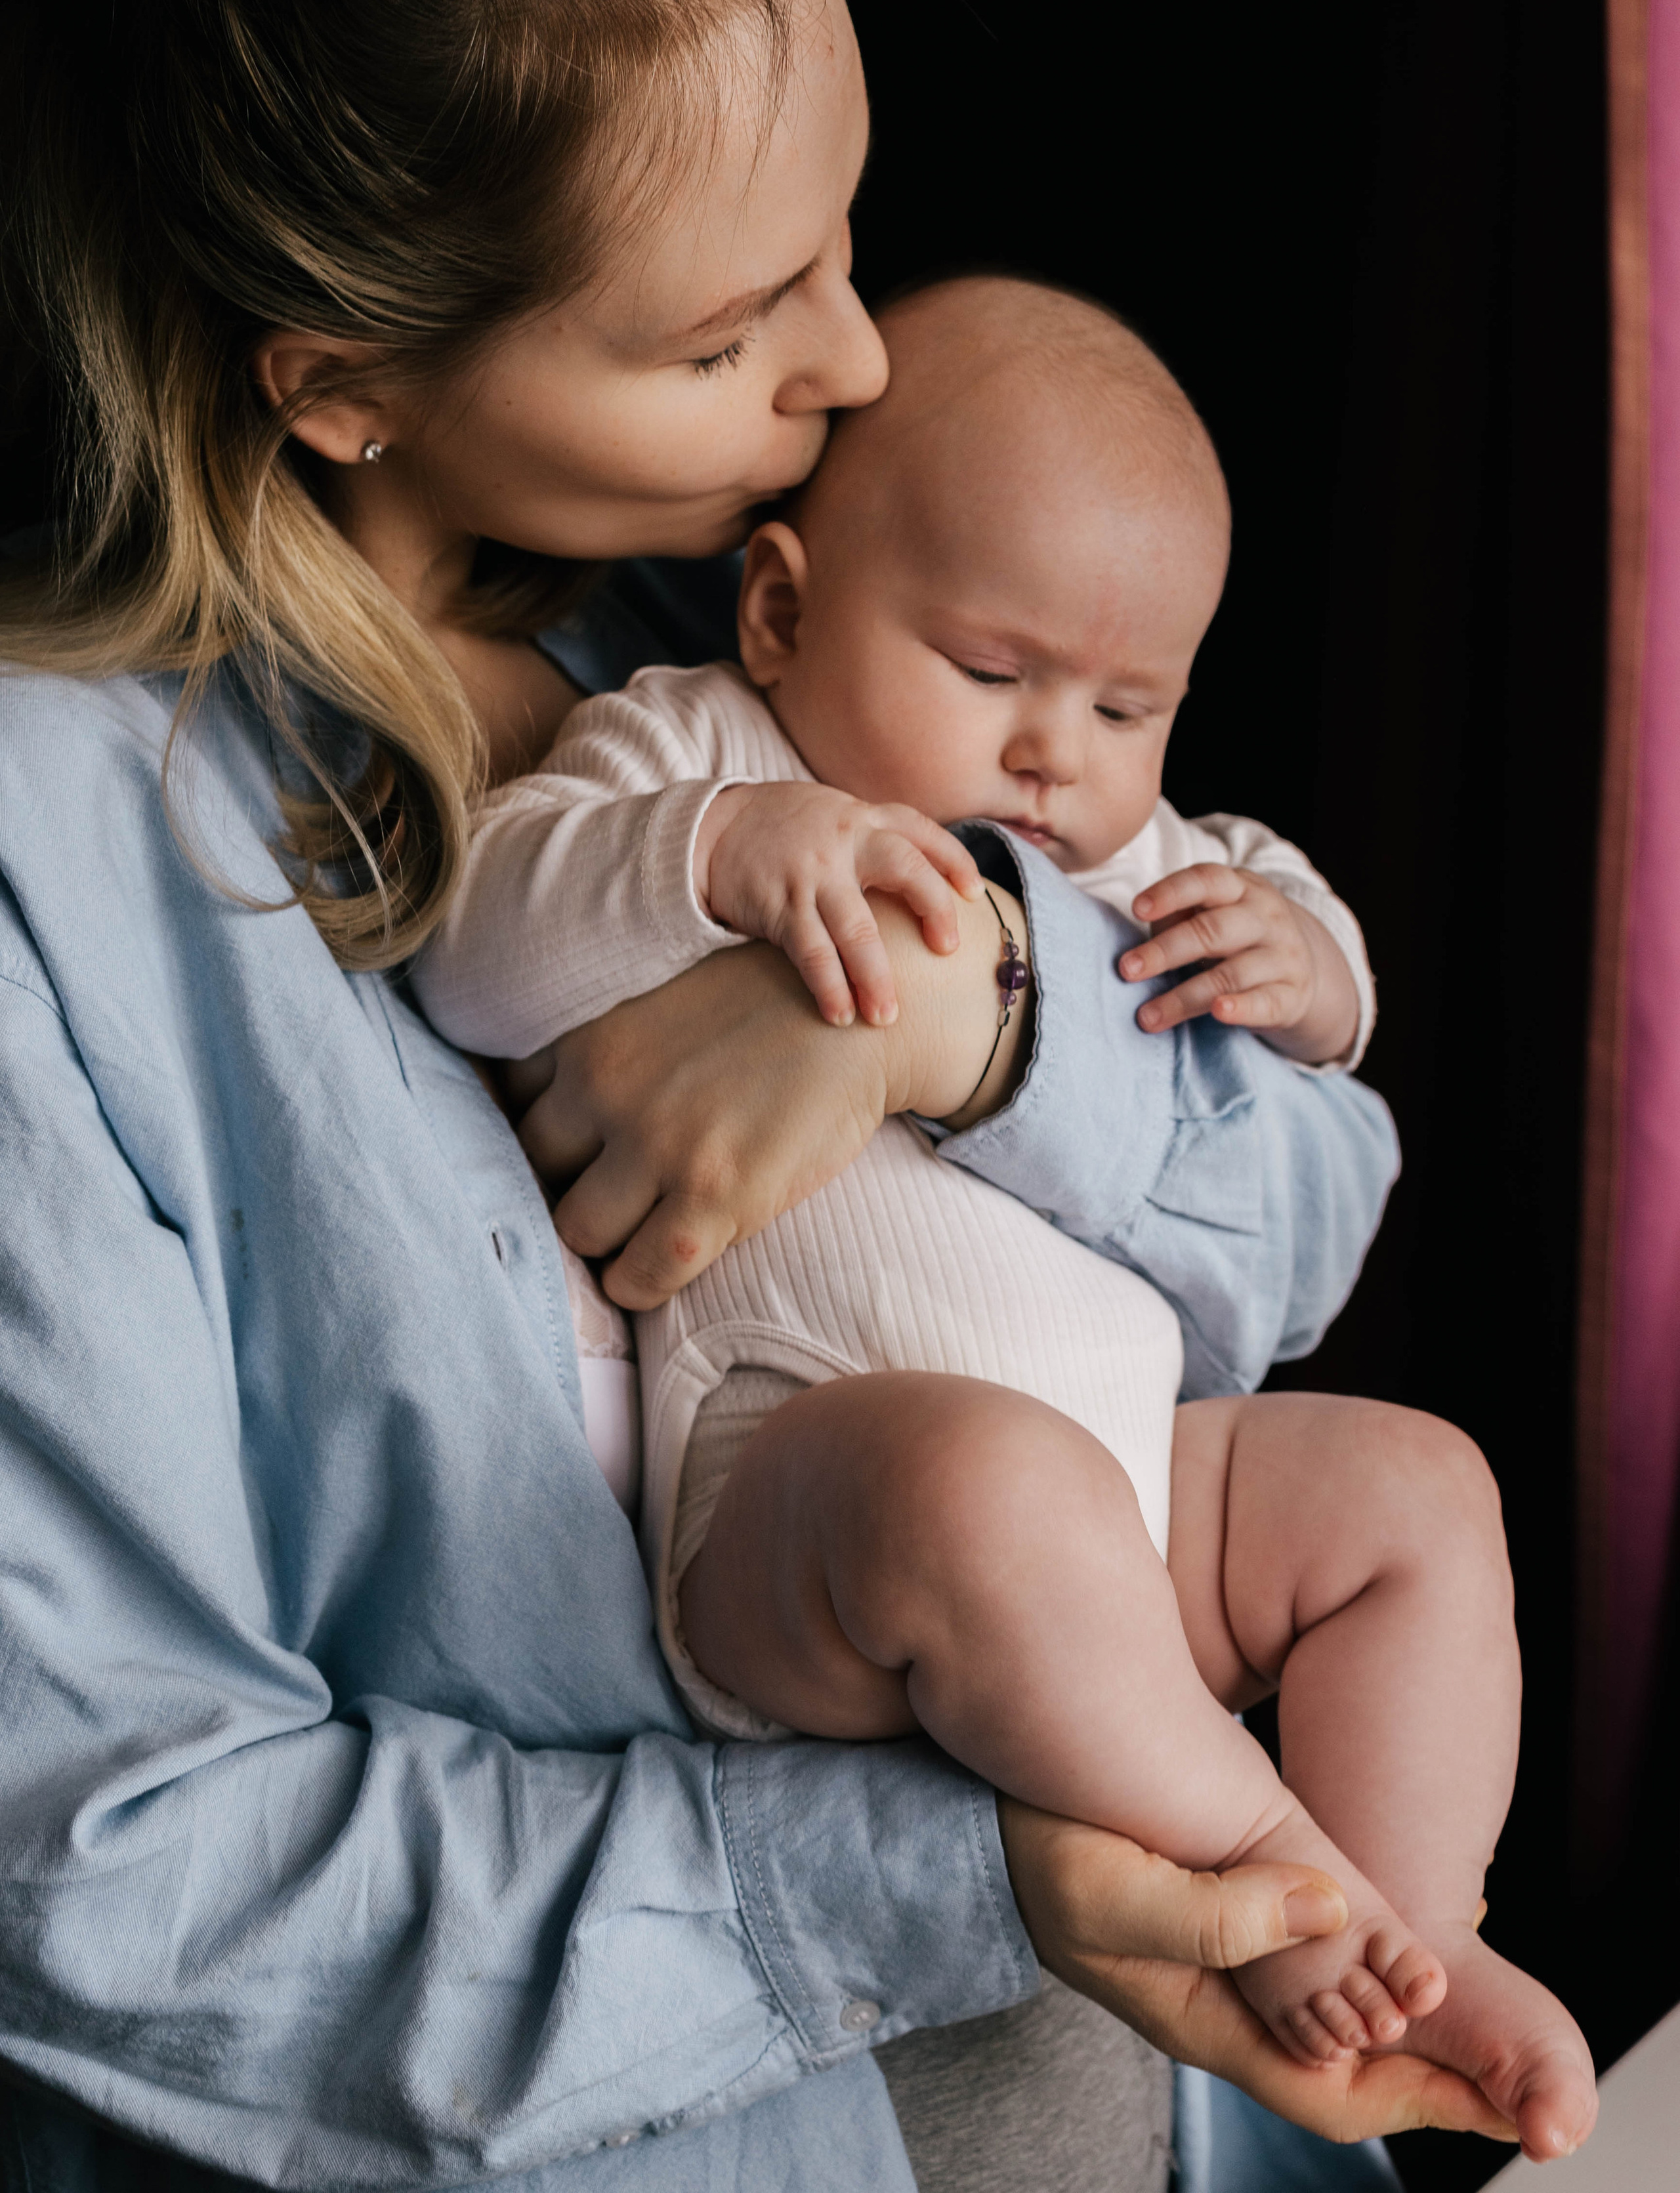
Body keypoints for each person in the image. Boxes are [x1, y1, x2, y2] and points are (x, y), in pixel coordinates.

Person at [0, 0, 1521, 2184]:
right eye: (722, 331)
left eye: (839, 237)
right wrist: (972, 1876)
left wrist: (970, 1021)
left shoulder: (764, 619)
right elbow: (109, 1881)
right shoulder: (71, 882)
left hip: (1169, 2111)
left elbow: (1296, 1219)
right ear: (348, 383)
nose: (854, 356)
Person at [413, 274, 1597, 2163]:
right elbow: (480, 944)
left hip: (1137, 1508)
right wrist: (715, 854)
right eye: (992, 675)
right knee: (984, 1491)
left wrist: (1312, 966)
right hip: (806, 1495)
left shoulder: (1130, 858)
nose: (1058, 757)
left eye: (1128, 706)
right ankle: (1275, 1879)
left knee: (1418, 1492)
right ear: (786, 610)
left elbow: (1319, 1061)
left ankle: (1422, 1926)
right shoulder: (703, 745)